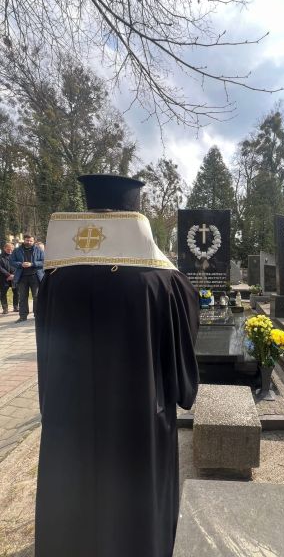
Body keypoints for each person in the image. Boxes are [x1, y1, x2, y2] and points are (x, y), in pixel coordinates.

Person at [35, 174, 200, 557]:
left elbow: (46, 352)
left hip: (70, 420)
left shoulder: (57, 278)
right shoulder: (163, 281)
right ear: (134, 211)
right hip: (137, 422)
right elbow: (182, 365)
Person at [10, 233, 44, 322]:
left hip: (35, 276)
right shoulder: (17, 250)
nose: (29, 242)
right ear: (24, 240)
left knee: (36, 296)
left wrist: (32, 264)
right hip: (22, 277)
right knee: (22, 297)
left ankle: (37, 315)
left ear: (34, 241)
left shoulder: (39, 250)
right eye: (27, 240)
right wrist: (21, 264)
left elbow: (44, 262)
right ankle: (23, 316)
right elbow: (11, 261)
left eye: (31, 241)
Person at [0, 242, 19, 314]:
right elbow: (0, 268)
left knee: (16, 292)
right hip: (4, 278)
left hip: (14, 277)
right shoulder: (1, 257)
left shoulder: (16, 256)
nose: (10, 251)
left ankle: (16, 307)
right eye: (8, 249)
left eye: (11, 249)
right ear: (4, 249)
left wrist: (13, 275)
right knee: (3, 293)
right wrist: (8, 275)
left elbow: (18, 266)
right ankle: (5, 308)